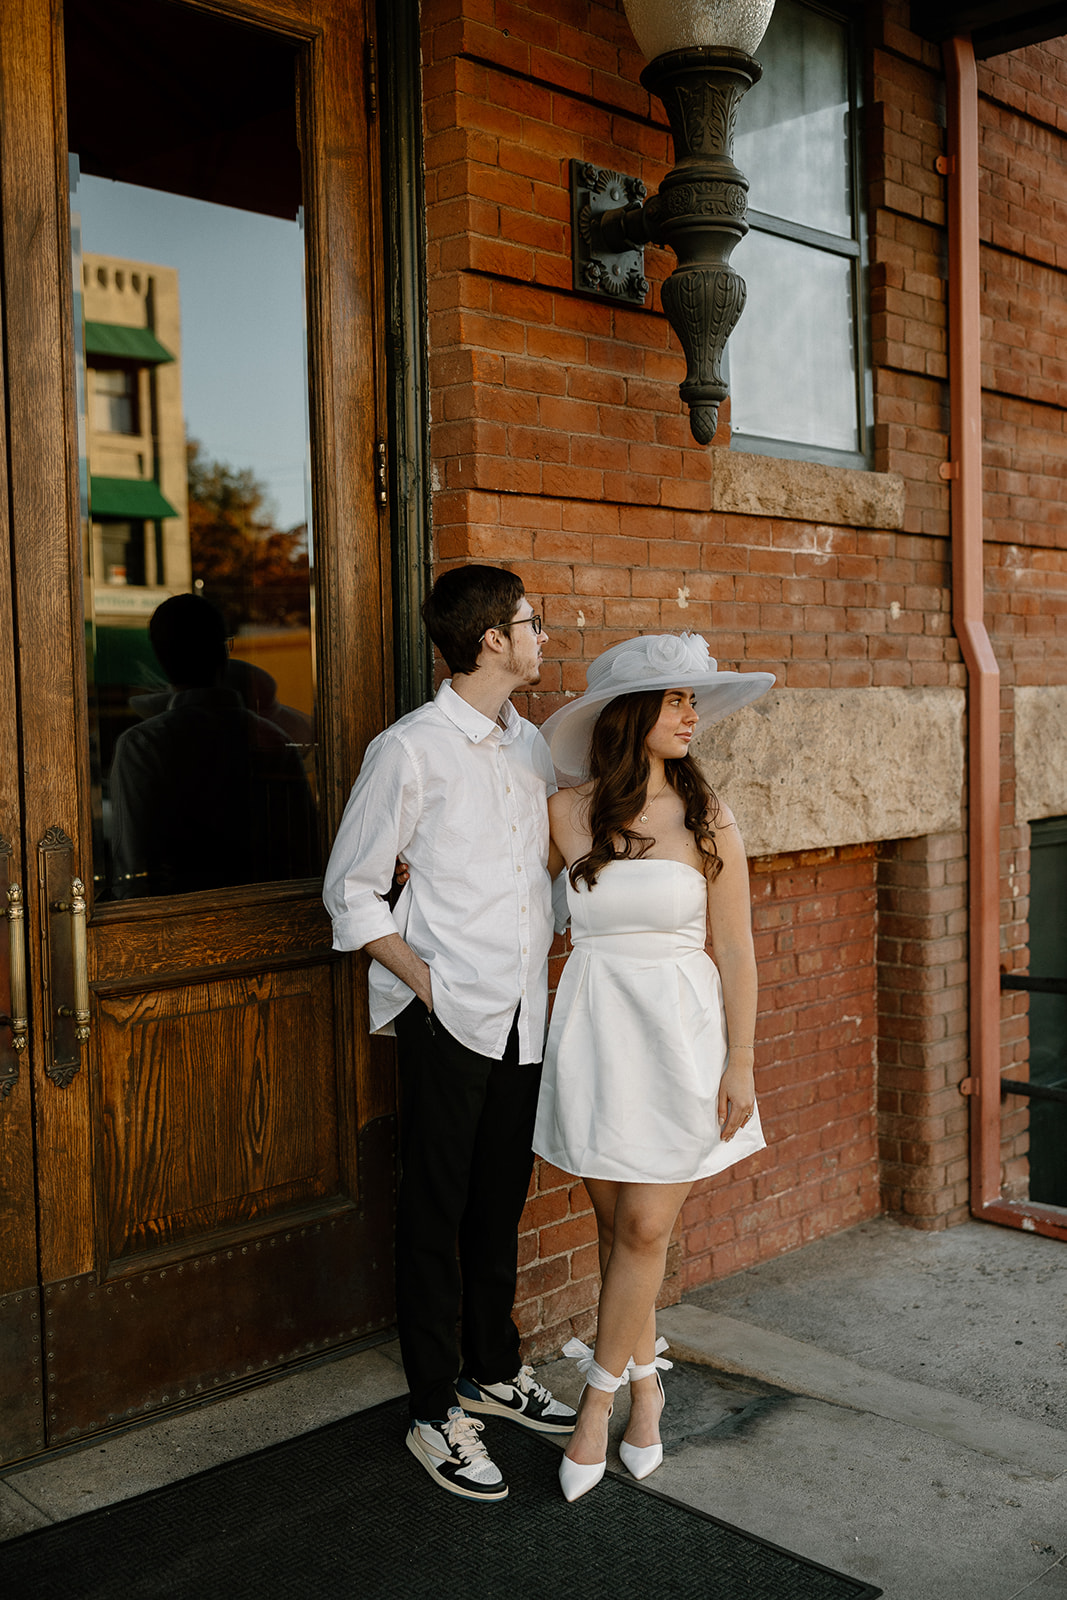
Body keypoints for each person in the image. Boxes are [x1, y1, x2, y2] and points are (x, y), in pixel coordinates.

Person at [323, 565, 576, 1504]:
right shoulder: (409, 750)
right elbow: (349, 890)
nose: (540, 636)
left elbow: (535, 876)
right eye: (529, 623)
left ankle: (491, 1367)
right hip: (448, 1020)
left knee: (498, 1199)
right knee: (433, 1212)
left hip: (523, 1018)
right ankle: (435, 1408)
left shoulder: (530, 751)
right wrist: (429, 984)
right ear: (487, 643)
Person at [533, 631, 774, 1502]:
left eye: (693, 700)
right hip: (594, 1034)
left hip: (683, 1040)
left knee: (643, 1232)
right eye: (675, 700)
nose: (690, 714)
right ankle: (646, 1386)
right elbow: (515, 915)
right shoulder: (565, 813)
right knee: (612, 1229)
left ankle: (594, 1407)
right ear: (629, 714)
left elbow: (738, 953)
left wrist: (739, 1062)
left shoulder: (709, 817)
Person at [109, 593, 316, 898]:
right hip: (268, 917)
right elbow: (304, 851)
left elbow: (135, 873)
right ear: (224, 652)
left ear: (162, 658)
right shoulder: (272, 740)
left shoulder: (142, 745)